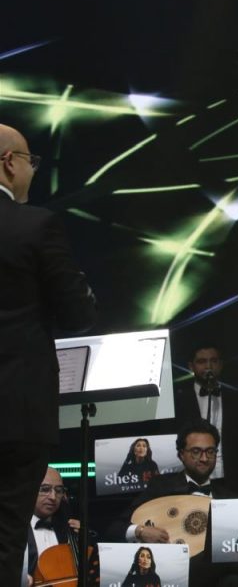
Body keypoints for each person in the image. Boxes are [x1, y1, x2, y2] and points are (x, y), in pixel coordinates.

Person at [0, 123, 96, 585]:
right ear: (9, 162)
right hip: (16, 414)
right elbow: (78, 314)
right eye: (31, 161)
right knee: (5, 534)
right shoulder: (34, 225)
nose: (32, 172)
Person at [108, 420, 238, 586]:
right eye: (196, 452)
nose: (204, 458)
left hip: (215, 574)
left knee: (235, 580)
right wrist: (141, 531)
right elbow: (114, 529)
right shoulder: (160, 486)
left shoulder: (229, 497)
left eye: (210, 452)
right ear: (181, 454)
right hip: (175, 569)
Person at [173, 344, 238, 492]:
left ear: (221, 364)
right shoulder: (178, 400)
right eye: (202, 361)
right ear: (191, 366)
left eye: (214, 361)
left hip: (232, 480)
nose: (208, 367)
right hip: (191, 480)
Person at [26, 467, 99, 586]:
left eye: (59, 490)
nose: (53, 497)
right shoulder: (14, 531)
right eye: (45, 489)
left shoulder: (69, 529)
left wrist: (85, 540)